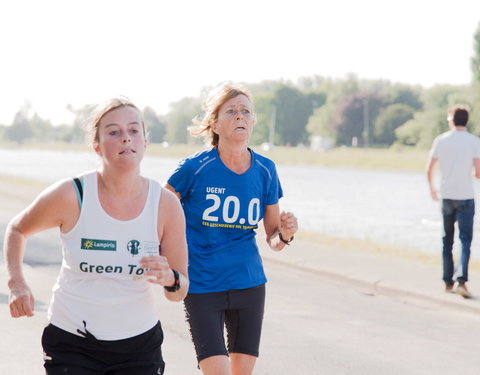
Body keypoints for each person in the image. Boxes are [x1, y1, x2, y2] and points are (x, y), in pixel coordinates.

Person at [3, 97, 189, 374]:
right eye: (114, 132)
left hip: (138, 346)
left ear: (145, 142)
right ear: (97, 146)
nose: (126, 138)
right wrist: (17, 283)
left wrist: (170, 278)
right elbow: (17, 229)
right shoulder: (72, 195)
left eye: (134, 130)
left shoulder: (165, 204)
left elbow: (179, 291)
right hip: (72, 341)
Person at [165, 82, 298, 375]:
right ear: (215, 123)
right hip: (201, 285)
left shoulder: (265, 169)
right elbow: (160, 214)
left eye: (246, 112)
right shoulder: (194, 168)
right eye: (231, 111)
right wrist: (171, 262)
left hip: (249, 284)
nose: (240, 116)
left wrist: (285, 235)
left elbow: (273, 238)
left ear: (252, 121)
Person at [426, 104, 480, 299]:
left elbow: (429, 168)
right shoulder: (474, 141)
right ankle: (461, 280)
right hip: (466, 196)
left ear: (451, 120)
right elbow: (478, 172)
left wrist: (432, 189)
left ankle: (447, 281)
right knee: (465, 240)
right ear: (467, 121)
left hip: (447, 195)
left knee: (446, 239)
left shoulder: (441, 140)